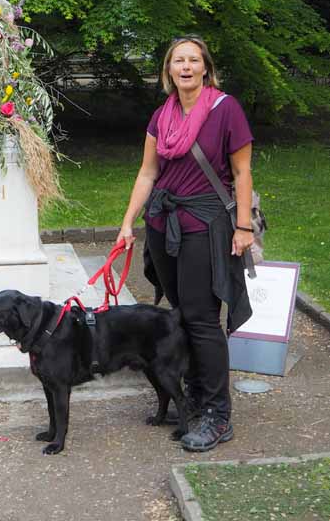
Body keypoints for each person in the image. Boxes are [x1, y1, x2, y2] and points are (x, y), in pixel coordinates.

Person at [117, 35, 254, 452]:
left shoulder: (224, 109)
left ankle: (217, 414)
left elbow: (242, 172)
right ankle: (192, 394)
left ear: (206, 68)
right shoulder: (162, 116)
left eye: (194, 60)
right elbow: (147, 173)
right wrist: (128, 224)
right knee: (180, 315)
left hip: (205, 224)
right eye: (179, 61)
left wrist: (243, 226)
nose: (187, 66)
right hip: (164, 224)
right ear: (168, 70)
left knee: (201, 319)